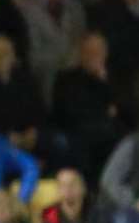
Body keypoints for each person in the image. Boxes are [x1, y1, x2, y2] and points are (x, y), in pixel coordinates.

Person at [52, 31, 126, 183]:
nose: (94, 55)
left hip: (112, 134)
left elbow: (127, 110)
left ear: (105, 53)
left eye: (98, 51)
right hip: (80, 135)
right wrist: (106, 111)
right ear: (81, 54)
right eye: (89, 51)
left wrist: (103, 82)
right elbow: (69, 112)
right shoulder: (66, 79)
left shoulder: (116, 78)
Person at [0, 33, 46, 154]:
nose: (1, 58)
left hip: (28, 136)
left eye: (5, 53)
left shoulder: (27, 80)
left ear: (13, 56)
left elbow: (40, 110)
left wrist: (34, 131)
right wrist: (6, 135)